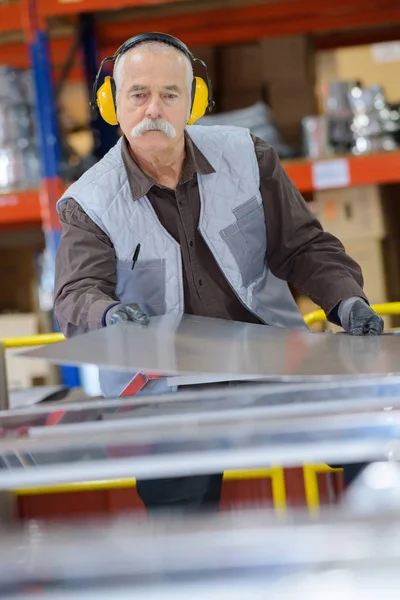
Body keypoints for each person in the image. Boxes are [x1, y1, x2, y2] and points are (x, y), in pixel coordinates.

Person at [54, 32, 383, 512]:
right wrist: (109, 316)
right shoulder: (90, 202)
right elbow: (76, 293)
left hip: (267, 357)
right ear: (112, 104)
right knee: (179, 515)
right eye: (138, 94)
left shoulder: (248, 156)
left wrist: (346, 301)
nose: (153, 110)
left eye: (170, 95)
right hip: (163, 384)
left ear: (194, 102)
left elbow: (304, 246)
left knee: (368, 441)